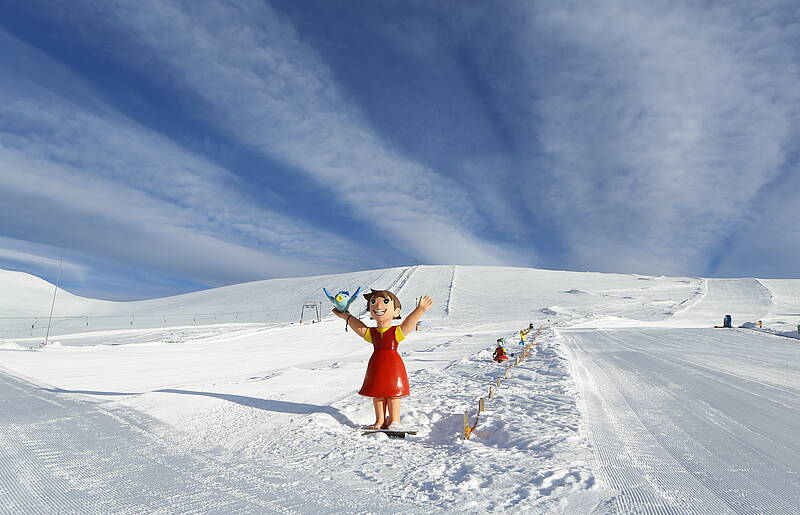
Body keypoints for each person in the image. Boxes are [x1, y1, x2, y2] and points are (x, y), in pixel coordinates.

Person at [333, 289, 433, 430]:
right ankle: (379, 420)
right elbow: (359, 327)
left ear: (396, 312)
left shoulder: (396, 332)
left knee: (393, 395)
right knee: (378, 393)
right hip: (377, 365)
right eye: (373, 302)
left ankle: (394, 420)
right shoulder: (372, 333)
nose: (378, 306)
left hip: (394, 366)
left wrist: (420, 310)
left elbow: (408, 324)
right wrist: (346, 316)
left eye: (385, 302)